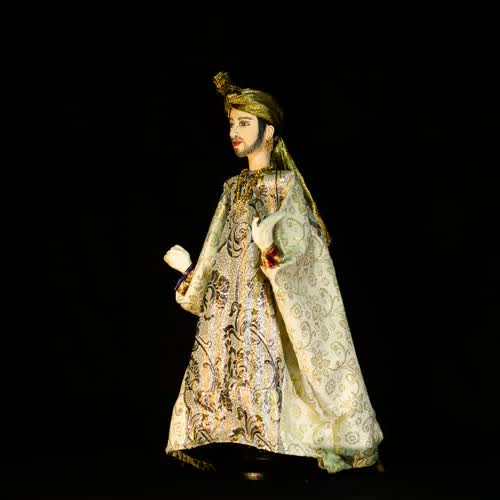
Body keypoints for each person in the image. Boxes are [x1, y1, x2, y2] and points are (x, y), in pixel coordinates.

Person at [163, 71, 383, 474]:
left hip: (266, 299)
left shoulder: (284, 185)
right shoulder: (231, 188)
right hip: (230, 303)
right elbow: (215, 245)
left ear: (269, 133)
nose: (234, 132)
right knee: (224, 364)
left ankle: (270, 439)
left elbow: (300, 236)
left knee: (265, 365)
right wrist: (192, 273)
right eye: (232, 123)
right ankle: (233, 438)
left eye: (244, 123)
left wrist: (274, 249)